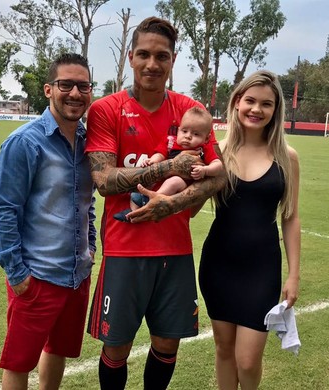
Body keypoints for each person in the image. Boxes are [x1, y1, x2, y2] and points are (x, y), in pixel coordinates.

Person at [84, 16, 226, 390]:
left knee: (167, 342)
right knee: (117, 347)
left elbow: (219, 175)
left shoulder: (190, 112)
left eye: (161, 56)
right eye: (143, 54)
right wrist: (168, 166)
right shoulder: (106, 110)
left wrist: (171, 204)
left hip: (175, 249)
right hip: (124, 248)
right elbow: (103, 179)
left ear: (172, 60)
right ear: (130, 57)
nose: (152, 64)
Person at [0, 53, 96, 390]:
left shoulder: (89, 143)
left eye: (83, 86)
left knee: (58, 349)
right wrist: (17, 273)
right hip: (38, 274)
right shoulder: (24, 142)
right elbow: (3, 211)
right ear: (49, 89)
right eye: (66, 85)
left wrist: (90, 246)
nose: (75, 93)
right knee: (19, 361)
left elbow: (86, 204)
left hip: (77, 274)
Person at [198, 70, 301, 390]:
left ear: (276, 110)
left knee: (248, 359)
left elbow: (291, 216)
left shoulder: (287, 157)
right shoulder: (218, 152)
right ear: (237, 102)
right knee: (224, 350)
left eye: (266, 104)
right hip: (219, 264)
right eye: (250, 101)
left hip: (262, 268)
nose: (256, 109)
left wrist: (294, 274)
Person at [113, 106, 223, 222]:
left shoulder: (204, 148)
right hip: (163, 177)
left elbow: (218, 165)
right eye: (184, 131)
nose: (188, 136)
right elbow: (160, 154)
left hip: (184, 184)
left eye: (196, 134)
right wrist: (152, 161)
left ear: (206, 138)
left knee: (174, 181)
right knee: (146, 177)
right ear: (179, 130)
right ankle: (132, 210)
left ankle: (152, 201)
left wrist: (205, 170)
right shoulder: (170, 141)